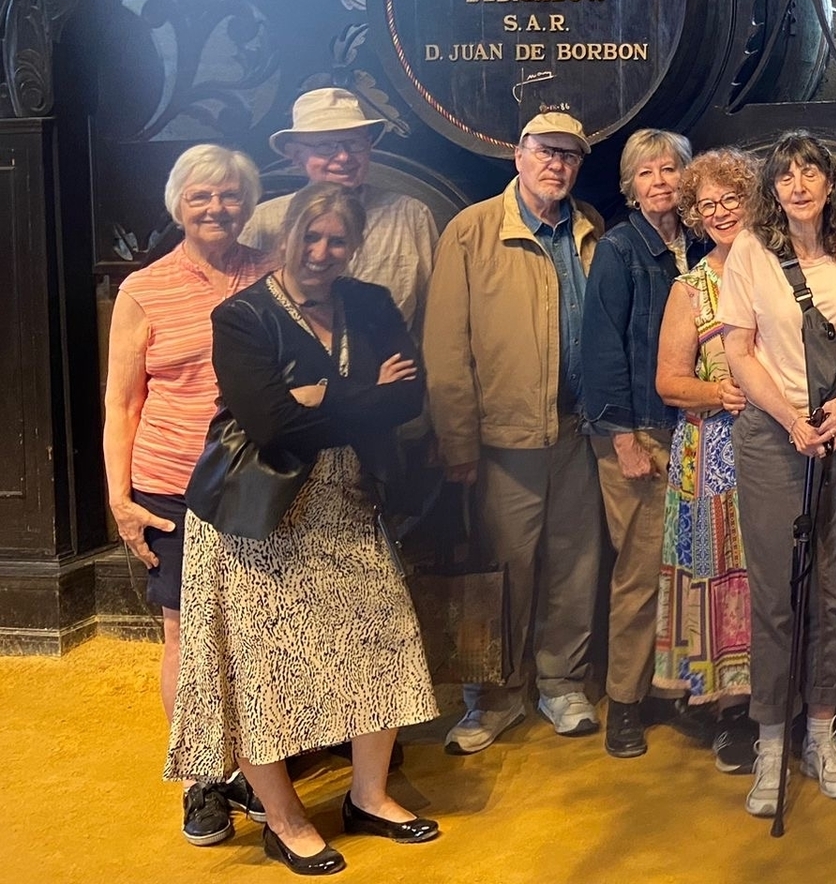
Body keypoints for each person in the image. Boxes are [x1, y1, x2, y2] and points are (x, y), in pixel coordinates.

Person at [165, 183, 440, 874]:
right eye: (310, 237)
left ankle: (369, 797)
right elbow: (271, 424)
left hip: (348, 504)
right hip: (258, 521)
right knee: (263, 670)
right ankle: (284, 821)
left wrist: (325, 396)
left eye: (337, 239)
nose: (322, 251)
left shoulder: (370, 302)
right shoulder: (242, 316)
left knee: (382, 645)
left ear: (354, 245)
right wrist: (365, 393)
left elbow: (410, 398)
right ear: (286, 236)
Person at [103, 144, 273, 846]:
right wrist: (120, 500)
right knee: (183, 636)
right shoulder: (143, 289)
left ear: (248, 203)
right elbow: (121, 403)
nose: (216, 208)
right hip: (172, 487)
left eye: (230, 195)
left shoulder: (272, 271)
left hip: (259, 482)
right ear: (177, 204)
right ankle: (201, 777)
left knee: (261, 632)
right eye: (201, 196)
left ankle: (259, 769)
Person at [423, 112, 605, 754]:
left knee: (574, 565)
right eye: (545, 151)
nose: (557, 164)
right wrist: (458, 442)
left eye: (569, 155)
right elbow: (446, 347)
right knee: (498, 570)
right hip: (503, 439)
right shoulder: (472, 230)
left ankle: (562, 684)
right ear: (518, 156)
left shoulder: (588, 227)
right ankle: (492, 699)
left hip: (578, 431)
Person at [719, 132, 836, 815]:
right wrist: (791, 418)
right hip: (774, 435)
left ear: (829, 181)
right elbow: (738, 349)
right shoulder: (750, 251)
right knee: (777, 594)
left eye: (810, 172)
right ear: (773, 189)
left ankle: (821, 730)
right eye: (785, 176)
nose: (798, 185)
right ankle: (769, 743)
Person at [581, 128, 703, 758]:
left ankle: (673, 691)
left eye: (670, 169)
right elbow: (600, 351)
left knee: (688, 571)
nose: (660, 181)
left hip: (696, 430)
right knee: (639, 572)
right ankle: (624, 703)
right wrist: (623, 440)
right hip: (642, 432)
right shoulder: (620, 249)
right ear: (630, 186)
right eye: (647, 172)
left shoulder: (700, 245)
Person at [654, 147, 759, 773]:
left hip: (777, 447)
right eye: (707, 205)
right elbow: (669, 381)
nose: (720, 213)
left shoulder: (779, 268)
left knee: (773, 574)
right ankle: (731, 711)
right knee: (724, 576)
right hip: (713, 454)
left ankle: (784, 699)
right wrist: (719, 393)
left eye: (731, 200)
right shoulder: (691, 288)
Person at [241, 88, 439, 332]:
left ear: (369, 147)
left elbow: (432, 314)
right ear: (296, 155)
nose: (344, 157)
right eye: (326, 146)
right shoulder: (262, 222)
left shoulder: (411, 216)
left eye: (354, 143)